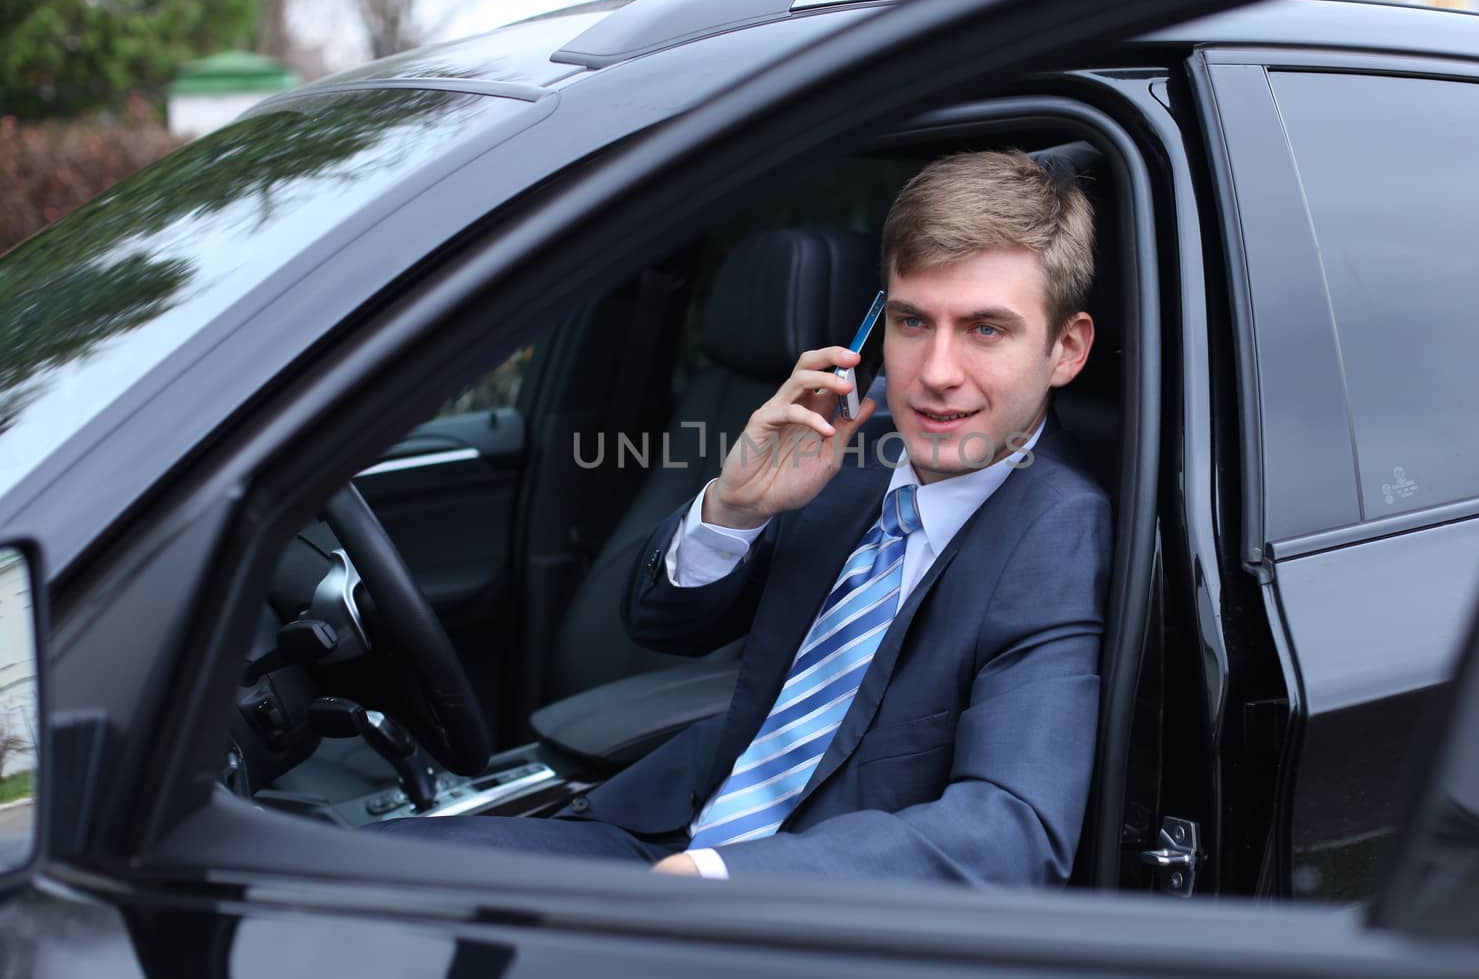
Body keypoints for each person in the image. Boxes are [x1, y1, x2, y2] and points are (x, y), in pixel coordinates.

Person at [383, 150, 1111, 886]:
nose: (935, 371)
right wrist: (734, 506)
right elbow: (661, 623)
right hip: (664, 828)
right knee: (380, 871)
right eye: (912, 320)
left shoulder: (1059, 528)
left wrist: (720, 881)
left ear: (1066, 348)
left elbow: (1012, 830)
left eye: (986, 329)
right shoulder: (848, 452)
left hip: (810, 908)